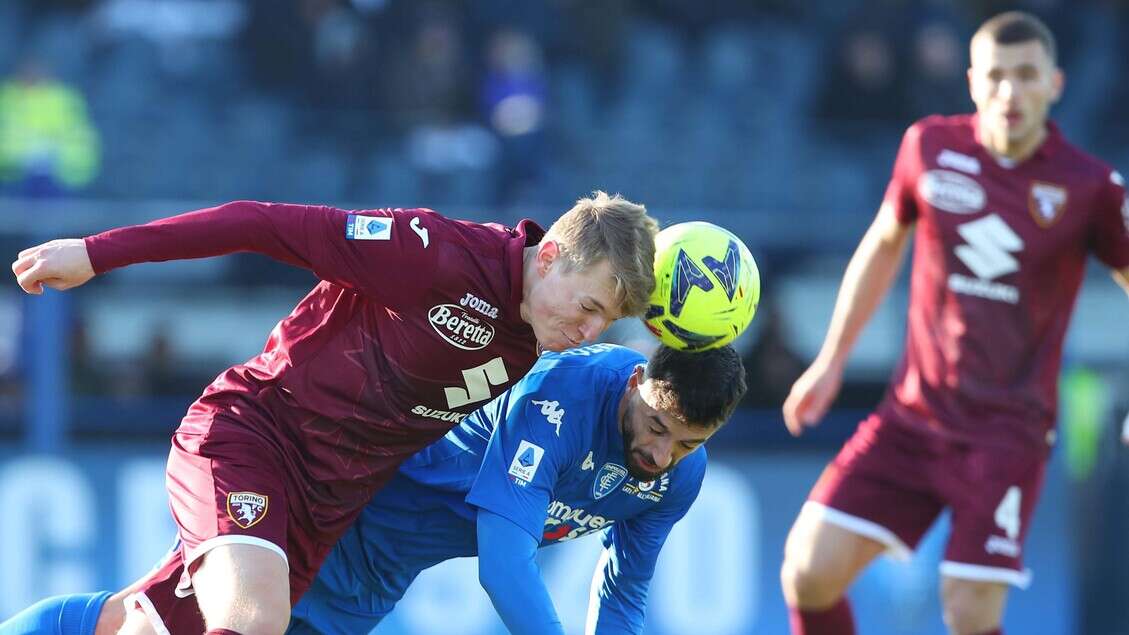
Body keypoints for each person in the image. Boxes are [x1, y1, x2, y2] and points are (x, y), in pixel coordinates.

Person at [7, 191, 659, 635]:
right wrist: (95, 253)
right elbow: (255, 221)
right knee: (254, 618)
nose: (590, 329)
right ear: (549, 257)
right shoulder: (429, 252)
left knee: (137, 622)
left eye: (606, 318)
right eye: (588, 306)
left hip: (323, 506)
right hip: (253, 435)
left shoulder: (532, 335)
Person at [779, 11, 1129, 635]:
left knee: (967, 612)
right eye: (996, 76)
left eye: (1026, 76)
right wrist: (832, 360)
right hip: (912, 419)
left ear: (1055, 84)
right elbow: (884, 244)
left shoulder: (1089, 187)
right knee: (808, 570)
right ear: (971, 82)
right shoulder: (929, 147)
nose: (1009, 92)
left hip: (1007, 436)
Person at [287, 342, 747, 634]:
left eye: (689, 443)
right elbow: (504, 568)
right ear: (634, 384)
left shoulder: (679, 477)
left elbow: (623, 592)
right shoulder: (560, 394)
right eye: (656, 426)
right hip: (333, 517)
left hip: (374, 576)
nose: (662, 456)